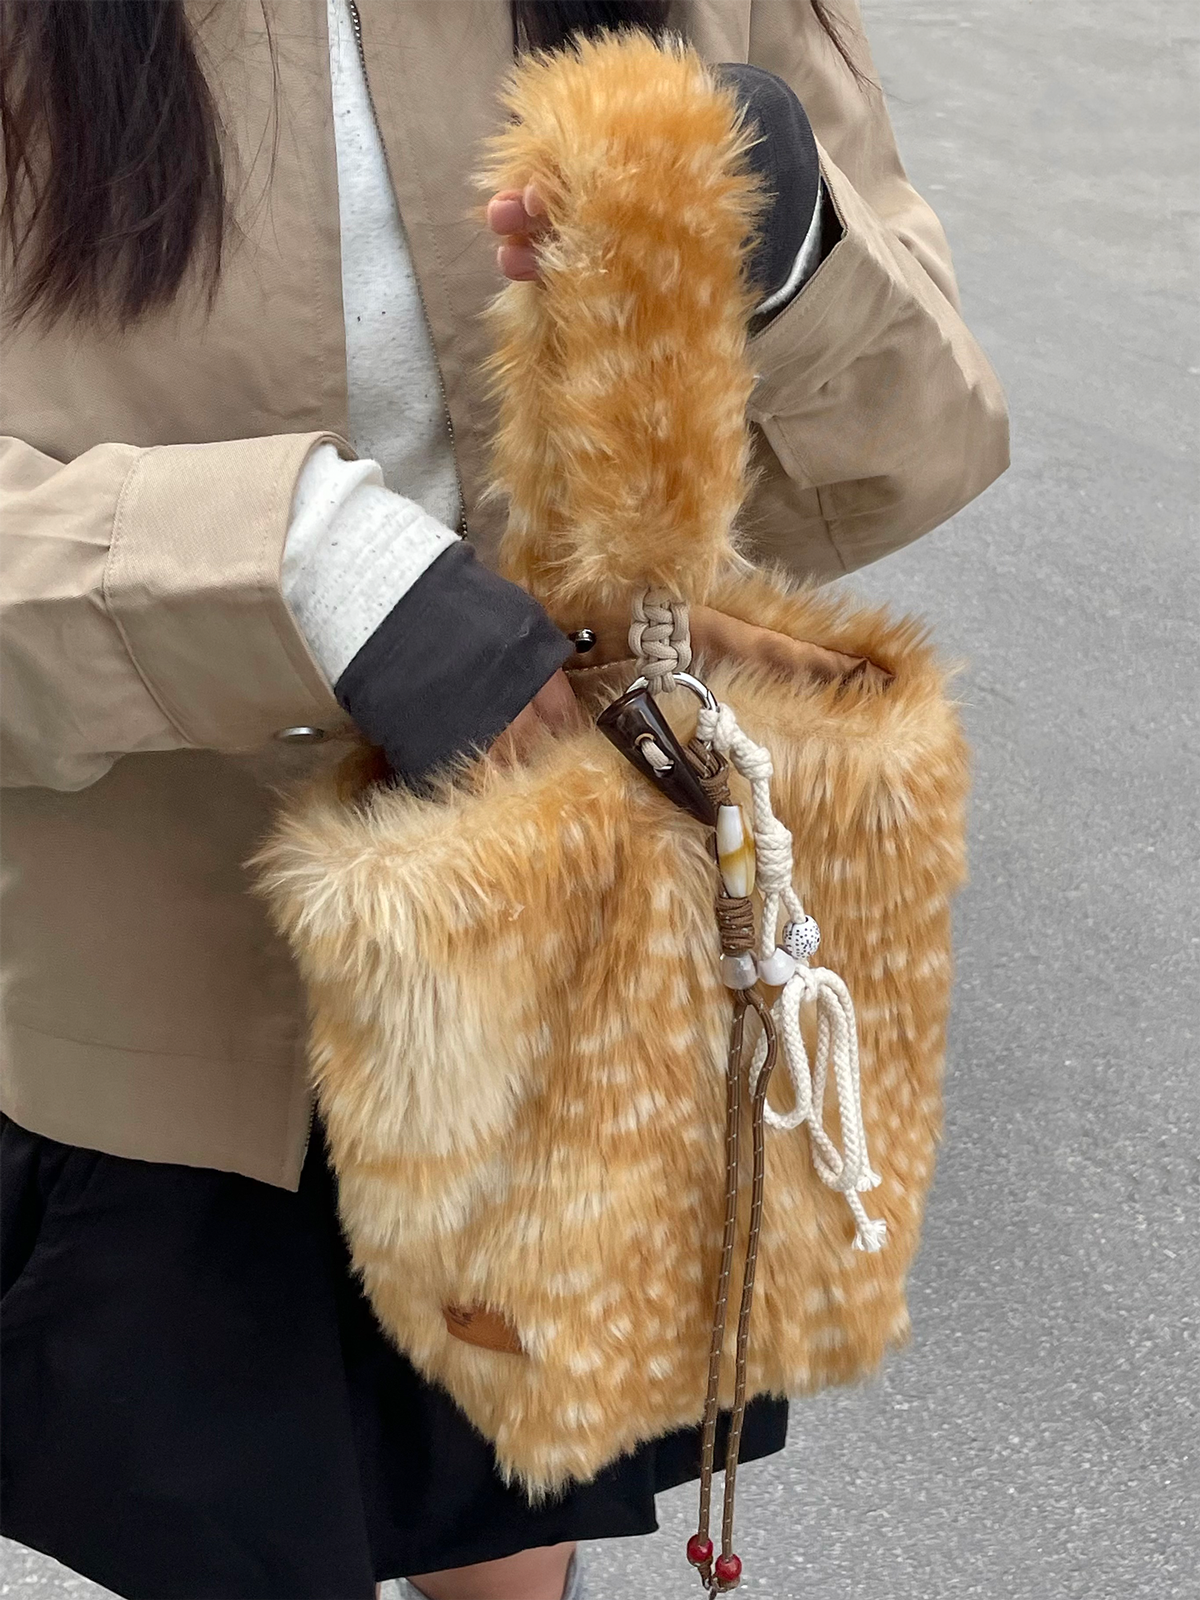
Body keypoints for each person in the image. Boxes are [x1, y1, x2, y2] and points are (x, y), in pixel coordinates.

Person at [0, 3, 1008, 1597]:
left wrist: (791, 256)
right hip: (121, 1019)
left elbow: (924, 440)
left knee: (513, 1499)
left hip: (567, 979)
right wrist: (303, 569)